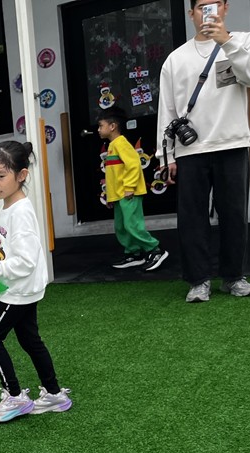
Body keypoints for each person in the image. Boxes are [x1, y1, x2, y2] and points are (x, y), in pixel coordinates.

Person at [0, 142, 72, 423]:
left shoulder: (20, 211)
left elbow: (25, 261)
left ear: (21, 175)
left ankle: (15, 397)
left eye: (1, 176)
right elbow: (6, 251)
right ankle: (54, 394)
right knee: (30, 340)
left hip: (19, 290)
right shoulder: (9, 207)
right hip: (23, 288)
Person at [157, 0, 250, 302]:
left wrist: (226, 42)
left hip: (232, 142)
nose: (207, 12)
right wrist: (165, 155)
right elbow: (167, 109)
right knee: (192, 218)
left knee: (234, 214)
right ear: (191, 13)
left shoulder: (242, 42)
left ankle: (234, 276)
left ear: (225, 8)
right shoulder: (175, 59)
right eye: (201, 7)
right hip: (190, 148)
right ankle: (198, 280)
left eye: (214, 5)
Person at [97, 107, 169, 272]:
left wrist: (129, 187)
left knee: (132, 225)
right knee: (121, 227)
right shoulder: (112, 145)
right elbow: (113, 175)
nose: (99, 129)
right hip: (118, 195)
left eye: (101, 126)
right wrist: (110, 196)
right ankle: (134, 253)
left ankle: (155, 250)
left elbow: (134, 165)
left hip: (129, 193)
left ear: (112, 126)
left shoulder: (121, 143)